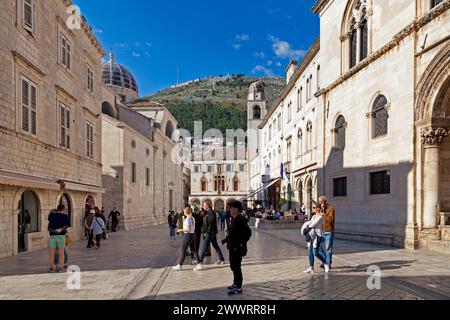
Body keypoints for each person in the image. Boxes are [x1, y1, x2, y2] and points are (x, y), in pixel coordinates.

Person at [222, 200, 248, 295]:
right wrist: (226, 240)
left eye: (231, 208)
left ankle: (239, 287)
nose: (230, 210)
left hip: (237, 248)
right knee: (233, 266)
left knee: (237, 267)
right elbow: (232, 233)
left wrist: (241, 244)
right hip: (232, 247)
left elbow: (248, 233)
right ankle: (235, 283)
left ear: (236, 209)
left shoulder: (240, 219)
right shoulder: (233, 219)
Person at [196, 202, 226, 270]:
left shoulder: (211, 212)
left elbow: (211, 223)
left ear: (207, 206)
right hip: (212, 232)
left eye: (204, 205)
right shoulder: (208, 212)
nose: (203, 206)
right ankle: (222, 259)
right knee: (215, 246)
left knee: (205, 246)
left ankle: (200, 260)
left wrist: (207, 231)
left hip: (210, 233)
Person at [172, 207, 200, 271]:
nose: (183, 212)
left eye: (184, 211)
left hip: (187, 235)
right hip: (193, 235)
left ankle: (179, 265)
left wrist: (180, 229)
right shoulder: (192, 218)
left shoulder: (187, 219)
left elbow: (187, 229)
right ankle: (199, 264)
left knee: (183, 250)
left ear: (186, 212)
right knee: (194, 250)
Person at [301, 203, 326, 274]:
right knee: (310, 252)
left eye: (315, 207)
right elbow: (311, 223)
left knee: (316, 252)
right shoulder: (313, 216)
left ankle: (326, 262)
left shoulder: (321, 216)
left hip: (318, 236)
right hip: (312, 236)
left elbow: (314, 223)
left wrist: (308, 227)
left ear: (318, 208)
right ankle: (311, 268)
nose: (314, 208)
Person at [48, 204, 69, 273]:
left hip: (53, 236)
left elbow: (49, 228)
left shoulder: (51, 215)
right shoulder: (65, 216)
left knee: (52, 254)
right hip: (61, 236)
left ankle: (51, 268)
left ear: (57, 208)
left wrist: (55, 230)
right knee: (61, 253)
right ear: (63, 209)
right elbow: (67, 225)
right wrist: (61, 229)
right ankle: (60, 268)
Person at [318, 196, 335, 273]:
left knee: (328, 248)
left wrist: (323, 214)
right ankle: (324, 260)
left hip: (328, 231)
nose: (320, 203)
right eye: (319, 202)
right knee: (318, 247)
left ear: (325, 201)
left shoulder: (331, 209)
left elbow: (331, 220)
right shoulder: (321, 209)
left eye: (321, 202)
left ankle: (328, 263)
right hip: (321, 231)